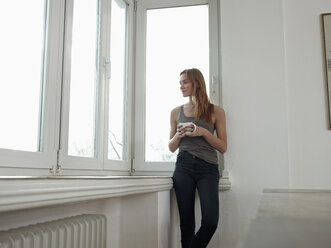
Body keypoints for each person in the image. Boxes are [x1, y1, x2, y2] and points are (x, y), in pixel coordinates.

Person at [168, 68, 227, 248]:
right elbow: (171, 147)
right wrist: (179, 135)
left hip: (208, 168)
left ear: (198, 83)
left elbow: (223, 147)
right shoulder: (176, 112)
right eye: (180, 83)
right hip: (183, 166)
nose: (181, 86)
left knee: (210, 221)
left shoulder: (216, 111)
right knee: (187, 224)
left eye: (185, 82)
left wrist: (203, 132)